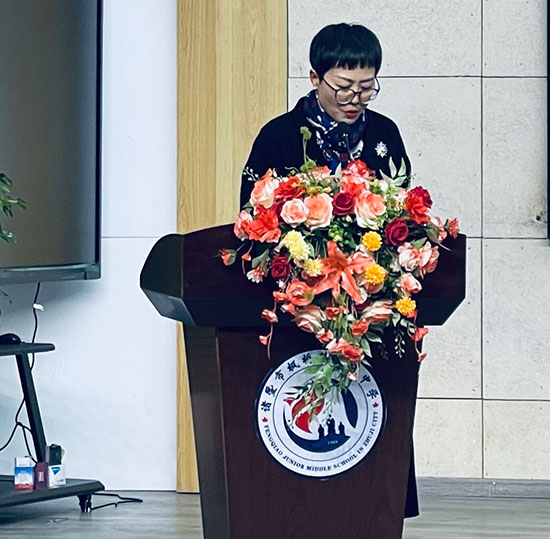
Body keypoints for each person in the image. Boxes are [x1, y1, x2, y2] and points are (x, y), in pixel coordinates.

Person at [239, 23, 419, 519]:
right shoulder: (279, 137)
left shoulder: (384, 135)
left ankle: (376, 515)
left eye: (366, 87)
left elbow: (406, 214)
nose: (355, 99)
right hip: (297, 307)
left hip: (370, 304)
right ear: (315, 77)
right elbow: (251, 217)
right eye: (343, 87)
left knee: (372, 424)